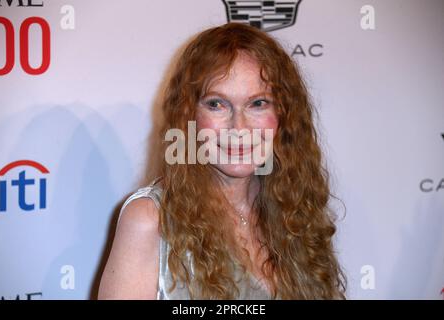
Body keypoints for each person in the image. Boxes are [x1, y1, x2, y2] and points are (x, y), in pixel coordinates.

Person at [98, 22, 346, 299]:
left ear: (284, 116)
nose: (238, 127)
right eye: (217, 104)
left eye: (257, 103)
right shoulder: (150, 220)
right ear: (188, 115)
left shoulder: (295, 215)